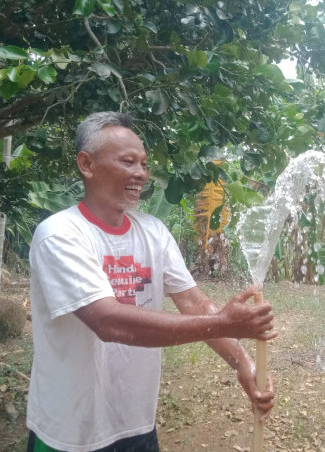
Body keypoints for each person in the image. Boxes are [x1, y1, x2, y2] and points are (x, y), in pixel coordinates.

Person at [26, 111, 276, 452]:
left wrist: (242, 361)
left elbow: (193, 303)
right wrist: (221, 323)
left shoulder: (153, 232)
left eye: (144, 164)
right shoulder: (59, 234)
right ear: (87, 164)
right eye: (128, 162)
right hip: (69, 433)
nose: (141, 174)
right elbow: (108, 321)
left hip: (136, 424)